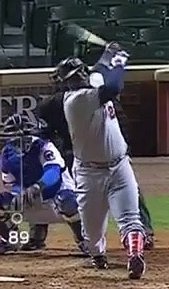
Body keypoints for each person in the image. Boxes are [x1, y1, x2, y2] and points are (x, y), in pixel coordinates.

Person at [54, 46, 149, 279]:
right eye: (72, 79)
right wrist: (119, 61)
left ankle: (135, 256)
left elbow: (98, 69)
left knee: (130, 218)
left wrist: (108, 53)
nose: (77, 80)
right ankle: (98, 255)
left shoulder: (92, 81)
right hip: (89, 174)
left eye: (79, 75)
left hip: (119, 166)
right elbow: (114, 86)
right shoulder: (76, 101)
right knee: (92, 236)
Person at [37, 83, 155, 250]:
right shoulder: (53, 104)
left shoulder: (98, 97)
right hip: (77, 156)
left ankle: (143, 231)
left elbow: (119, 122)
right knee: (73, 194)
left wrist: (122, 147)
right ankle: (80, 239)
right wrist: (63, 151)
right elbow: (45, 134)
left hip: (107, 151)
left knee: (129, 189)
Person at [0, 113, 87, 255]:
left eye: (25, 137)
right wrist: (19, 194)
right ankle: (13, 240)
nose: (21, 142)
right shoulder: (7, 155)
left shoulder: (44, 146)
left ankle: (84, 240)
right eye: (16, 139)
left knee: (67, 201)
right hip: (31, 202)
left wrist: (38, 187)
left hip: (56, 201)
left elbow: (53, 173)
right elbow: (11, 183)